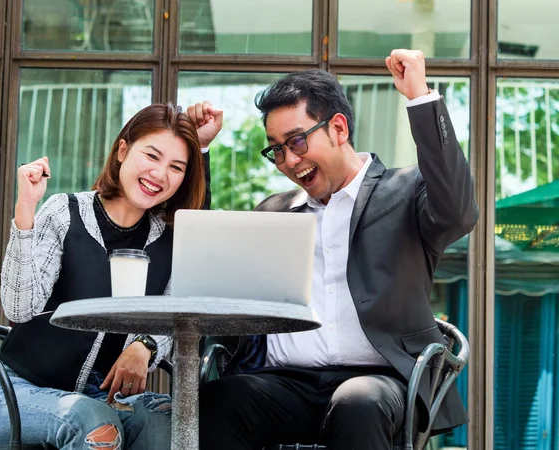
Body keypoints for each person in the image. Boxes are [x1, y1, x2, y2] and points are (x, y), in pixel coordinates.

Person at [194, 49, 478, 450]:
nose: (289, 161)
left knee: (357, 403)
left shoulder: (405, 192)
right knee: (221, 399)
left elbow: (458, 211)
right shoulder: (274, 211)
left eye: (296, 141)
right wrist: (199, 151)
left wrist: (419, 97)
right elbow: (203, 255)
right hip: (284, 383)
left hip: (379, 381)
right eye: (276, 149)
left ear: (339, 128)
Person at [0, 102, 223, 449]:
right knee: (95, 422)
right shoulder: (65, 213)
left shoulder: (169, 239)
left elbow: (175, 307)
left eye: (176, 167)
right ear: (122, 150)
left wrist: (144, 345)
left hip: (101, 399)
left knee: (167, 419)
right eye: (151, 156)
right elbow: (18, 308)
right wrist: (26, 212)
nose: (160, 174)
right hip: (18, 395)